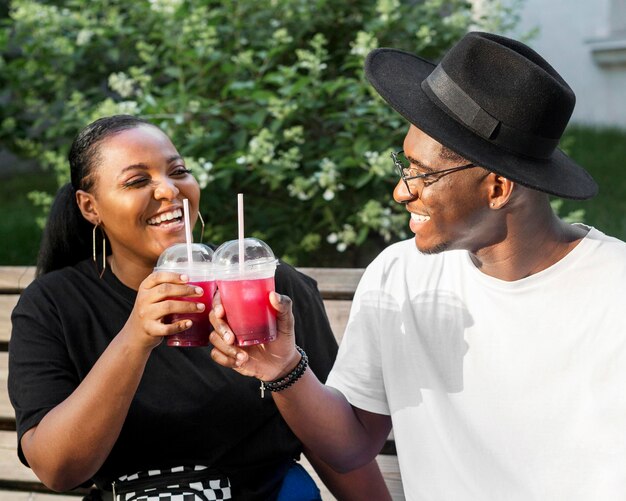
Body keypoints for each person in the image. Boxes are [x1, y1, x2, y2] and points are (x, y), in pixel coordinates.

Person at [208, 31, 626, 500]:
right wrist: (282, 367)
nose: (401, 190)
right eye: (403, 166)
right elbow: (350, 449)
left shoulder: (615, 291)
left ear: (498, 189)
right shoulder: (398, 275)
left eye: (423, 174)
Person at [8, 115, 391, 500]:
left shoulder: (264, 287)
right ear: (90, 207)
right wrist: (135, 339)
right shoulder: (53, 304)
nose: (168, 191)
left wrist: (284, 372)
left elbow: (337, 448)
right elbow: (57, 470)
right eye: (139, 181)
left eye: (178, 171)